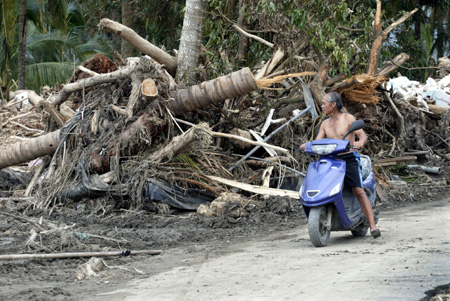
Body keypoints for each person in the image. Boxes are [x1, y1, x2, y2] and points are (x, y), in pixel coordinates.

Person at [300, 92, 381, 238]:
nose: (322, 106)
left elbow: (362, 135)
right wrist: (308, 145)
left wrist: (360, 142)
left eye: (324, 103)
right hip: (330, 161)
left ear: (333, 104)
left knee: (359, 191)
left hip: (348, 159)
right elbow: (318, 142)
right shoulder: (325, 124)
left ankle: (373, 225)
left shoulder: (348, 118)